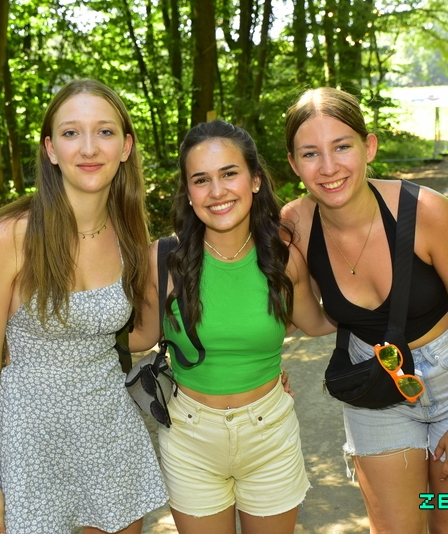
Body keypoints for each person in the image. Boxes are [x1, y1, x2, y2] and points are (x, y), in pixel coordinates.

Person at [281, 87, 448, 534]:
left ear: (369, 147)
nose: (328, 167)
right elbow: (309, 322)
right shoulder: (294, 225)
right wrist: (264, 369)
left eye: (342, 147)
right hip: (377, 384)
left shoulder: (428, 212)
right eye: (310, 153)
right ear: (294, 164)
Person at [0, 79, 167, 534]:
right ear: (51, 149)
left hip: (109, 434)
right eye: (71, 133)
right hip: (30, 447)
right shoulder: (10, 237)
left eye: (105, 132)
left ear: (125, 147)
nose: (89, 147)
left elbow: (132, 334)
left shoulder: (129, 234)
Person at [129, 120, 336, 534]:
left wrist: (386, 302)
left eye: (229, 174)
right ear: (188, 193)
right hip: (189, 439)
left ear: (255, 180)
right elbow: (140, 337)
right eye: (201, 180)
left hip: (270, 433)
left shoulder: (283, 257)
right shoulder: (164, 260)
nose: (217, 191)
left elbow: (318, 322)